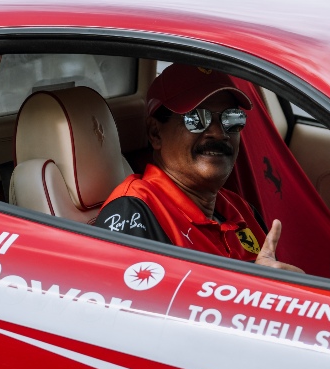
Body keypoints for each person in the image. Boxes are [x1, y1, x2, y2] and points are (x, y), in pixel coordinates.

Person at [96, 64, 301, 272]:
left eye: (231, 118)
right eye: (196, 119)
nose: (219, 133)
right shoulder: (134, 213)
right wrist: (255, 284)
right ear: (155, 133)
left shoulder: (241, 210)